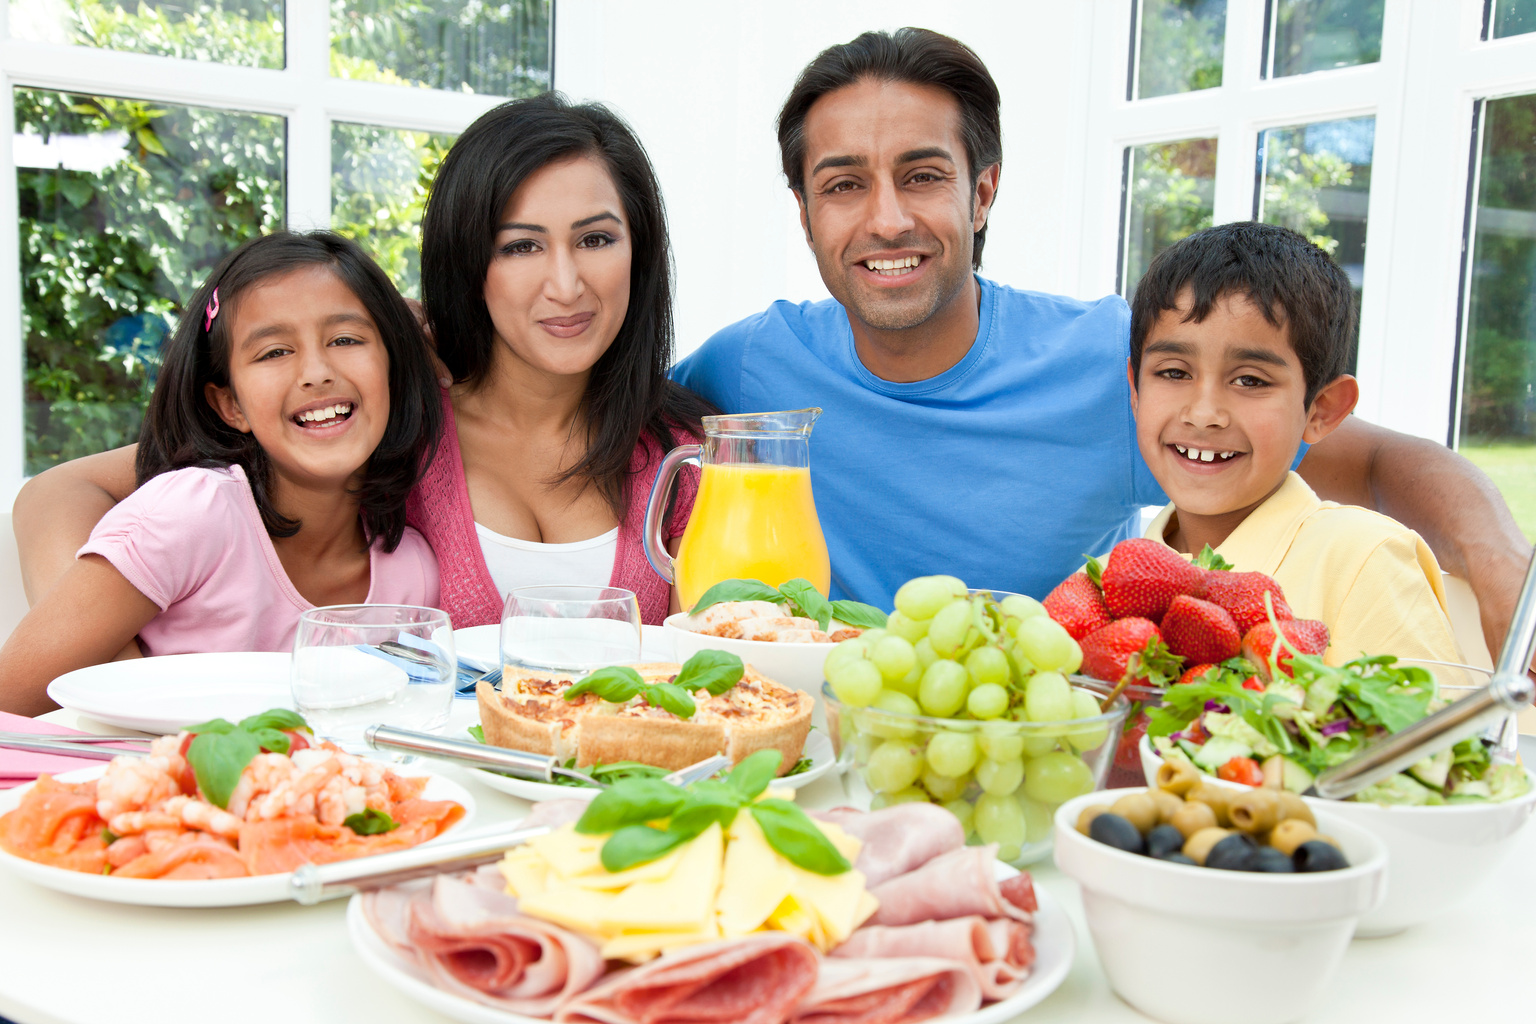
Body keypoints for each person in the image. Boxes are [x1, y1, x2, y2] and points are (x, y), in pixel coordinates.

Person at [672, 27, 1530, 661]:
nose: (886, 218)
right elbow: (584, 417)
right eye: (845, 184)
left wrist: (1501, 571)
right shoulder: (750, 364)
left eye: (923, 175)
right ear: (806, 212)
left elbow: (1375, 464)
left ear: (983, 193)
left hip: (1040, 754)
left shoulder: (1119, 362)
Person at [14, 95, 714, 631]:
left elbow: (712, 678)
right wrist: (109, 658)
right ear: (468, 262)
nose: (566, 285)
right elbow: (58, 493)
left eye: (596, 239)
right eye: (520, 247)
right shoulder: (388, 420)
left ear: (639, 253)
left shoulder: (684, 460)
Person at [0, 232, 443, 716]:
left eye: (345, 339)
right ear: (231, 404)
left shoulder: (411, 573)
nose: (316, 371)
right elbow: (10, 698)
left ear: (394, 374)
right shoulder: (194, 511)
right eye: (274, 351)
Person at [1129, 222, 1461, 666]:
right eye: (1174, 372)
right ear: (1135, 390)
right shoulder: (1120, 578)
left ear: (1321, 409)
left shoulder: (1361, 560)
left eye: (1250, 380)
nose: (1204, 413)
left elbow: (1433, 733)